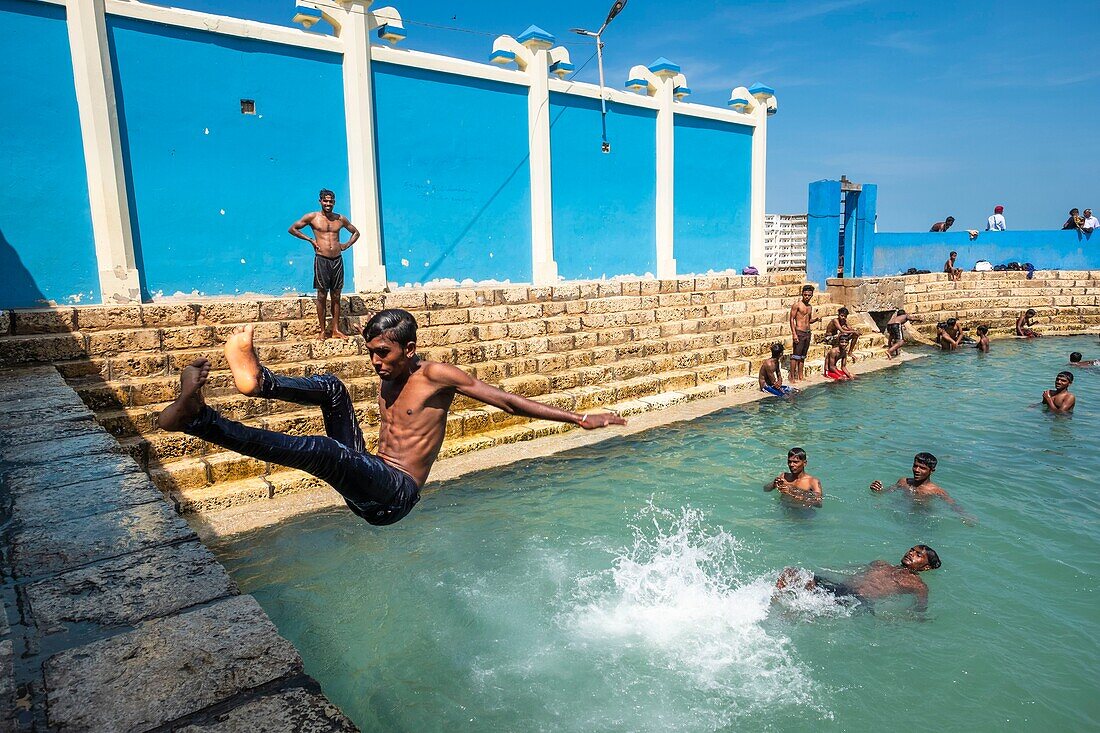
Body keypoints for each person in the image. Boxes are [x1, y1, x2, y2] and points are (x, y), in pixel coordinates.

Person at [157, 310, 627, 526]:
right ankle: (259, 382)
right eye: (371, 352)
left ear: (411, 350)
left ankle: (199, 420)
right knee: (333, 389)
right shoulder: (386, 372)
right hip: (372, 473)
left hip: (394, 496)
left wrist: (580, 417)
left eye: (384, 353)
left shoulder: (437, 375)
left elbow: (507, 400)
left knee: (325, 452)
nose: (376, 362)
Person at [775, 545, 941, 612]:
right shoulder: (881, 564)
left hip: (857, 600)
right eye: (911, 550)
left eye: (918, 555)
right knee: (793, 572)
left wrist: (895, 619)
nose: (911, 553)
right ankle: (773, 599)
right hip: (841, 587)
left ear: (926, 567)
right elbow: (851, 569)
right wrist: (824, 571)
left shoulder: (917, 584)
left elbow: (920, 608)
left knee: (811, 607)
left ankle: (789, 615)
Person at [289, 189, 361, 339]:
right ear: (320, 201)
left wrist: (346, 245)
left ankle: (335, 329)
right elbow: (293, 229)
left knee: (336, 295)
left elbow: (356, 232)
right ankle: (322, 330)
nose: (328, 204)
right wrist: (310, 240)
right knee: (322, 295)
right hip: (322, 259)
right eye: (325, 201)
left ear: (334, 202)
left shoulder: (340, 219)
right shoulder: (312, 217)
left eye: (331, 201)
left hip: (337, 259)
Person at [870, 452, 969, 520]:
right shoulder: (903, 482)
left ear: (931, 471)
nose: (917, 470)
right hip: (901, 511)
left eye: (922, 468)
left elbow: (952, 505)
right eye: (915, 465)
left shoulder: (936, 491)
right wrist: (877, 490)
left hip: (923, 516)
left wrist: (966, 516)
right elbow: (886, 492)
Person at [788, 285, 821, 382]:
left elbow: (808, 320)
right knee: (795, 356)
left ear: (812, 295)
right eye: (805, 295)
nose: (807, 297)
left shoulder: (810, 307)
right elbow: (791, 319)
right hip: (799, 332)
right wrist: (794, 334)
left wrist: (815, 319)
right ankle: (792, 376)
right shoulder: (797, 305)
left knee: (802, 356)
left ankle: (801, 376)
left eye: (809, 295)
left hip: (807, 332)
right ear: (802, 294)